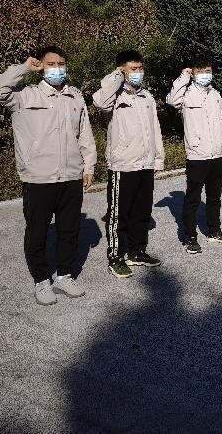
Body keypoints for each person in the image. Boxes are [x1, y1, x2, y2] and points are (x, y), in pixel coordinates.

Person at [0, 46, 97, 305]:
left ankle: (65, 276)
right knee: (37, 233)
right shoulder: (24, 95)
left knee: (69, 231)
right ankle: (41, 280)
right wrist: (24, 68)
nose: (57, 68)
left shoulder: (75, 96)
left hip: (71, 176)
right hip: (39, 179)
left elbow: (85, 135)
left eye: (61, 63)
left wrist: (89, 166)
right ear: (41, 67)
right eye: (51, 64)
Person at [93, 50, 165, 278]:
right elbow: (99, 102)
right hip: (123, 165)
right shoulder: (114, 95)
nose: (138, 72)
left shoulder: (147, 97)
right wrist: (117, 76)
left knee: (142, 211)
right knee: (118, 215)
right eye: (133, 68)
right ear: (122, 70)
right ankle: (115, 256)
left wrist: (158, 159)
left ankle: (137, 251)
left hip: (145, 164)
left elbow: (155, 129)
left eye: (140, 68)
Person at [166, 58, 222, 254]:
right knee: (192, 199)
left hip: (216, 154)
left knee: (214, 197)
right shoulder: (186, 94)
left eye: (208, 71)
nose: (205, 75)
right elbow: (171, 100)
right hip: (197, 155)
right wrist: (183, 76)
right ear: (193, 73)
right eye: (201, 71)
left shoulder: (215, 94)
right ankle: (190, 237)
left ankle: (214, 231)